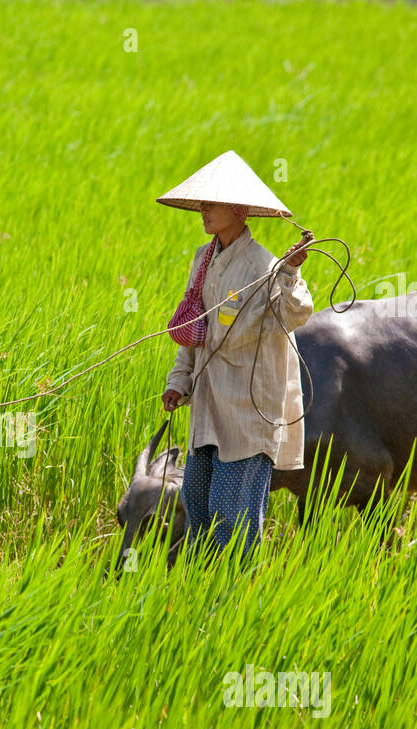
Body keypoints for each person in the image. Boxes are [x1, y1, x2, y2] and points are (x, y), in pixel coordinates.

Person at [155, 151, 314, 561]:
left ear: (239, 210)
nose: (204, 210)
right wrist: (178, 382)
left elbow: (296, 313)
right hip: (207, 408)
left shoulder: (266, 266)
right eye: (202, 202)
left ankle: (233, 599)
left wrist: (291, 272)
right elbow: (194, 329)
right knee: (197, 511)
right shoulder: (203, 261)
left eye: (213, 202)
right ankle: (201, 595)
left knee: (233, 519)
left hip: (247, 413)